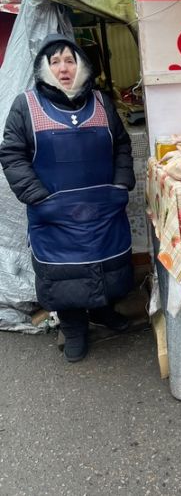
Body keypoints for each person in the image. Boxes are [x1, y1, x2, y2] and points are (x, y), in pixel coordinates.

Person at [0, 34, 136, 362]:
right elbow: (11, 153)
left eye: (70, 60)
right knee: (63, 275)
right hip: (54, 214)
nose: (63, 68)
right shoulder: (27, 105)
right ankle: (74, 327)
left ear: (82, 66)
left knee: (108, 265)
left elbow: (121, 145)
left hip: (103, 210)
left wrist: (120, 185)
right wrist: (38, 197)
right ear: (45, 68)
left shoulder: (102, 103)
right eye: (55, 61)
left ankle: (103, 312)